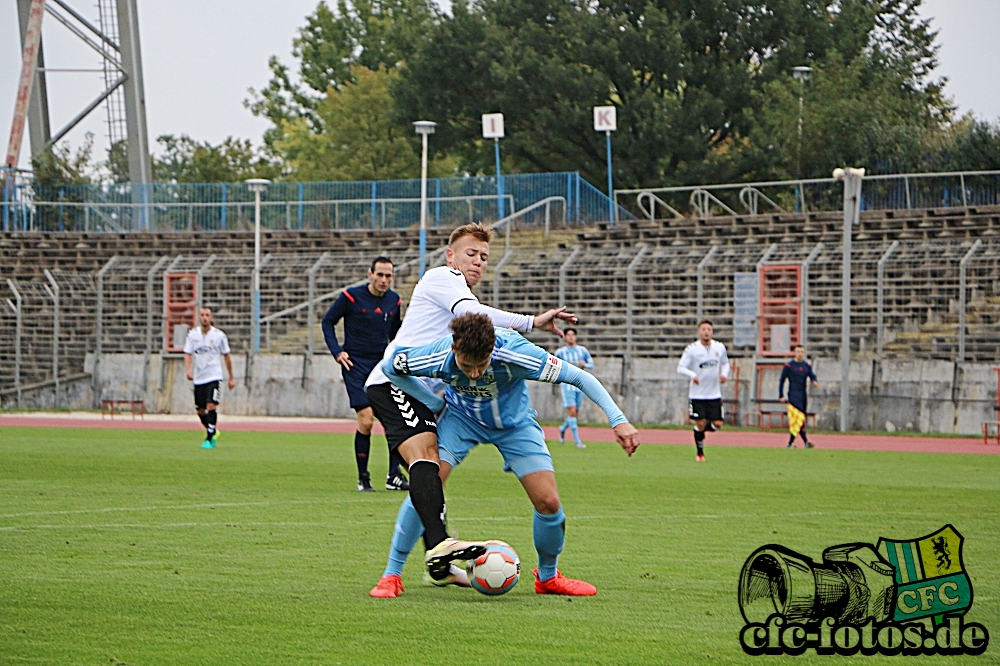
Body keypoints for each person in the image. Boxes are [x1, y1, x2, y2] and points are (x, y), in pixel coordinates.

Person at [362, 223, 577, 596]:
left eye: (483, 257)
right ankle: (406, 565)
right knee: (426, 464)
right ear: (450, 255)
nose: (477, 262)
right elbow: (473, 314)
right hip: (395, 381)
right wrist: (531, 321)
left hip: (424, 394)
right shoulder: (442, 278)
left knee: (429, 476)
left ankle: (438, 565)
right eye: (470, 254)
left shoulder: (457, 292)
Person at [374, 313, 640, 598]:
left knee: (548, 502)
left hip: (515, 426)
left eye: (481, 365)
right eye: (467, 366)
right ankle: (391, 575)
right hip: (461, 421)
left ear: (492, 350)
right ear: (453, 349)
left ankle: (548, 578)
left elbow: (578, 376)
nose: (474, 374)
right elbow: (391, 367)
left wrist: (618, 419)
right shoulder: (437, 354)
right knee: (429, 482)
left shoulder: (516, 352)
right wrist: (433, 401)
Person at [322, 256, 406, 492]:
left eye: (388, 275)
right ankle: (363, 478)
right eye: (379, 274)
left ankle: (393, 476)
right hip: (355, 365)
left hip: (381, 367)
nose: (384, 279)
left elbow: (395, 334)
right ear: (370, 275)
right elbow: (328, 321)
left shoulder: (394, 300)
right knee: (367, 420)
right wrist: (338, 352)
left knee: (394, 421)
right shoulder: (351, 296)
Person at [677, 320, 730, 462]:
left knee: (718, 423)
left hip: (714, 394)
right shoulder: (692, 349)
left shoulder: (719, 347)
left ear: (712, 332)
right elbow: (681, 367)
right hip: (697, 394)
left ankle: (698, 431)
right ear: (699, 332)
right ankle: (700, 453)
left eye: (709, 329)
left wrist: (724, 374)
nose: (706, 332)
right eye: (704, 329)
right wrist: (692, 375)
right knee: (700, 423)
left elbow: (725, 363)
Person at [183, 307, 235, 450]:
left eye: (207, 315)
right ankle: (212, 430)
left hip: (214, 376)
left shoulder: (219, 335)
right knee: (200, 410)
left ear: (211, 318)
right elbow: (188, 353)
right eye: (202, 315)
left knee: (211, 405)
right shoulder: (192, 335)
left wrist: (231, 377)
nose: (205, 317)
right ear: (199, 317)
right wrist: (188, 370)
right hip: (199, 377)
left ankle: (209, 439)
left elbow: (227, 356)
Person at [555, 327, 594, 449]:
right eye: (568, 335)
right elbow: (555, 365)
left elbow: (591, 364)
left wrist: (585, 365)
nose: (571, 337)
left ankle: (562, 429)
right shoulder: (560, 352)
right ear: (565, 337)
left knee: (575, 413)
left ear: (576, 337)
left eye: (573, 334)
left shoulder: (582, 351)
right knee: (571, 411)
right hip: (567, 386)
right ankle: (577, 442)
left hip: (579, 385)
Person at [778, 344, 820, 449]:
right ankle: (799, 442)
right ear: (794, 353)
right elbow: (782, 380)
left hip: (803, 395)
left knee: (801, 419)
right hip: (793, 394)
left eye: (802, 352)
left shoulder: (806, 366)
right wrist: (781, 395)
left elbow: (812, 375)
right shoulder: (789, 366)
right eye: (798, 352)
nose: (800, 354)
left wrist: (815, 380)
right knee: (798, 418)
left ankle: (796, 443)